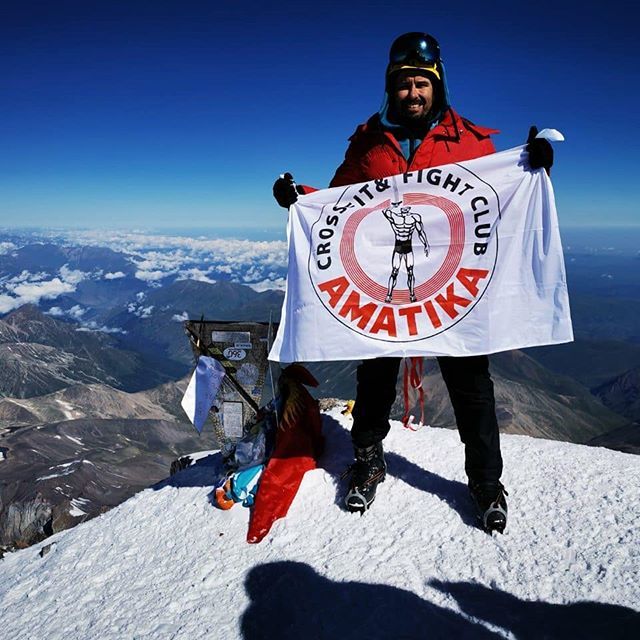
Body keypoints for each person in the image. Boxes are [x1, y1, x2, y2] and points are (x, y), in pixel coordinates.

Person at [272, 32, 553, 533]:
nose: (413, 93)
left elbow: (493, 200)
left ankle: (486, 483)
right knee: (374, 376)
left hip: (453, 294)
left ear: (437, 86)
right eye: (403, 84)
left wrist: (529, 164)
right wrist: (300, 198)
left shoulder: (469, 140)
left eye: (422, 82)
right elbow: (341, 203)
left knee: (471, 387)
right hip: (384, 286)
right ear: (390, 88)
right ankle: (368, 460)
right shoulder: (366, 143)